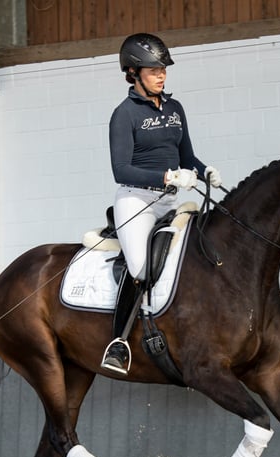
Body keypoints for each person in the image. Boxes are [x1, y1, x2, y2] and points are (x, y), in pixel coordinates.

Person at [100, 32, 222, 375]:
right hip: (135, 201)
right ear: (133, 72)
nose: (162, 74)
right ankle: (119, 342)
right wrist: (168, 178)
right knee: (141, 269)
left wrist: (203, 170)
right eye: (154, 70)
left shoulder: (174, 108)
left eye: (163, 69)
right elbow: (120, 169)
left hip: (170, 203)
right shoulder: (123, 114)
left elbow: (187, 156)